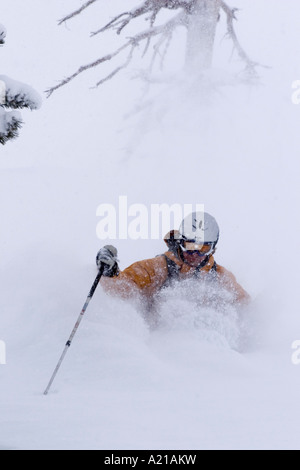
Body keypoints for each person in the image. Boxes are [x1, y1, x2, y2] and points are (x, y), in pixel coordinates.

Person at [97, 212, 250, 310]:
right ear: (180, 242)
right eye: (190, 246)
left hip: (204, 347)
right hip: (161, 345)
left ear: (213, 249)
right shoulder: (157, 268)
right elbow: (123, 288)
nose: (195, 254)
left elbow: (245, 308)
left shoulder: (220, 277)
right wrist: (109, 273)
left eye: (203, 249)